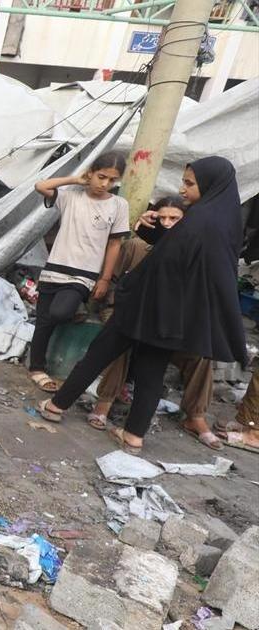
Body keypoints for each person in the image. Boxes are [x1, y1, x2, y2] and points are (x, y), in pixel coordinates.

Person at [37, 157, 248, 454]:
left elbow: (163, 263)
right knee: (151, 374)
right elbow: (183, 258)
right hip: (173, 319)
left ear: (210, 184)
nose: (182, 189)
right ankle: (134, 436)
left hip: (143, 306)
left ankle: (56, 406)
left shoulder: (198, 221)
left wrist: (127, 290)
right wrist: (152, 231)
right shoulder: (224, 225)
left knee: (98, 354)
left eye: (189, 183)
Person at [86, 197, 221, 450]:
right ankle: (104, 402)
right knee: (120, 339)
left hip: (167, 324)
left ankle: (196, 416)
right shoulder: (137, 246)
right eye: (162, 218)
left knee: (201, 355)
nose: (167, 223)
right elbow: (113, 283)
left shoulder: (194, 250)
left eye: (174, 219)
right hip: (129, 312)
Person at [28, 152, 131, 393]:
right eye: (101, 176)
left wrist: (105, 278)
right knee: (43, 321)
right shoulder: (71, 196)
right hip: (55, 267)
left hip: (83, 274)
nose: (105, 184)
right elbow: (40, 186)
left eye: (112, 180)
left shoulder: (118, 205)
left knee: (60, 312)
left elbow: (114, 244)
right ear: (91, 173)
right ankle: (37, 368)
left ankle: (76, 309)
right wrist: (76, 179)